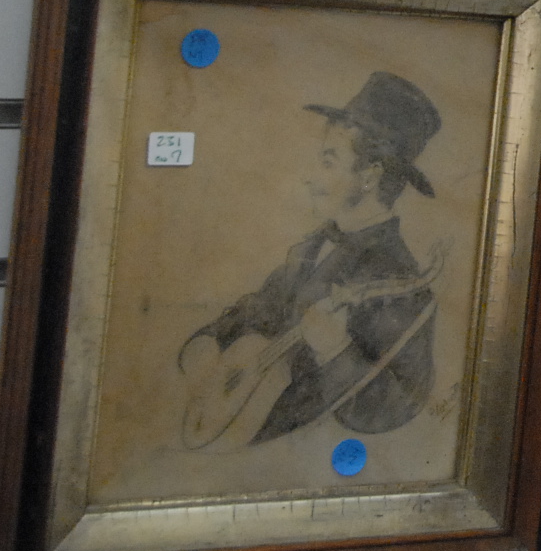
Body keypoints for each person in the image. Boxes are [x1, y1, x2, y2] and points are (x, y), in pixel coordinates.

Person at [179, 72, 442, 446]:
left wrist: (336, 350)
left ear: (370, 176)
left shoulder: (401, 282)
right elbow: (262, 309)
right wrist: (210, 340)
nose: (309, 176)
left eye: (328, 162)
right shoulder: (313, 246)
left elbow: (399, 406)